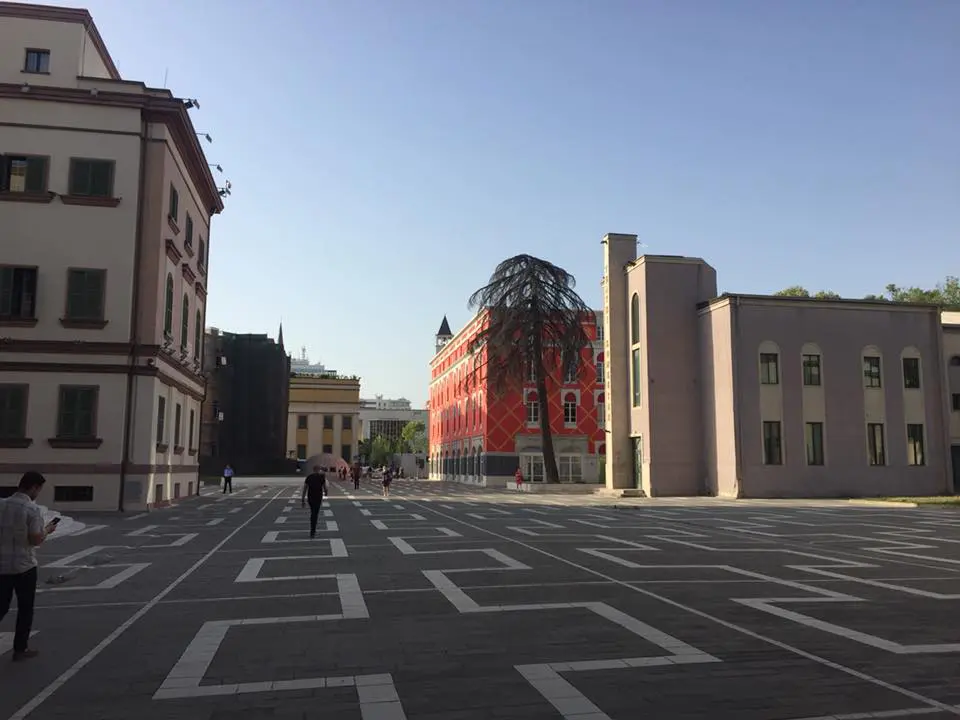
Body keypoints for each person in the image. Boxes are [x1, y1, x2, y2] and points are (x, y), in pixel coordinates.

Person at [0, 471, 58, 662]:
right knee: (25, 608)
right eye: (39, 489)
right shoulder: (32, 510)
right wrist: (47, 530)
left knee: (1, 606)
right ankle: (20, 649)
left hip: (2, 565)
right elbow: (36, 539)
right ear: (34, 487)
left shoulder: (2, 504)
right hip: (24, 565)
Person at [301, 465, 327, 538]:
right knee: (315, 513)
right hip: (318, 498)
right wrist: (326, 492)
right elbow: (325, 488)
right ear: (318, 470)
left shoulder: (309, 477)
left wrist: (303, 500)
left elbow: (305, 489)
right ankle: (313, 530)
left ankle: (312, 530)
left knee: (313, 512)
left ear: (313, 469)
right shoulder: (321, 477)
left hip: (310, 498)